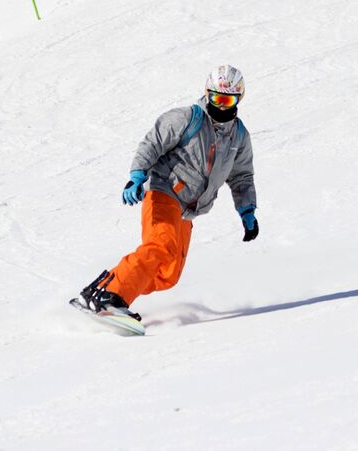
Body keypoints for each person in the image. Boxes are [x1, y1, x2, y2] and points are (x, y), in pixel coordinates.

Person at [74, 65, 258, 323]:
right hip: (164, 191)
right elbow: (153, 142)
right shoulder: (187, 118)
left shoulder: (238, 136)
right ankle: (111, 295)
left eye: (228, 100)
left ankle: (104, 289)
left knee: (168, 275)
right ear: (207, 94)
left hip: (187, 209)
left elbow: (241, 177)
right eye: (217, 98)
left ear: (239, 99)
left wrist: (247, 210)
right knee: (160, 245)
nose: (222, 106)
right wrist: (137, 176)